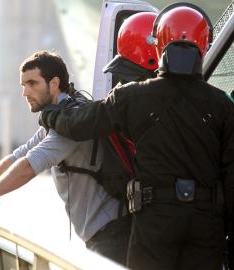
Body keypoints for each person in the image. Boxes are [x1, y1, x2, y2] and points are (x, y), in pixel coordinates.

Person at [39, 3, 234, 270]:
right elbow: (231, 175)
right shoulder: (222, 104)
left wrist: (49, 113)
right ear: (204, 46)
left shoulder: (132, 96)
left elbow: (79, 124)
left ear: (159, 44)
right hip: (206, 224)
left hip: (154, 222)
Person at [0, 50, 131, 265]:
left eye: (32, 83)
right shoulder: (59, 115)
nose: (25, 92)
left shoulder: (71, 125)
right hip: (102, 231)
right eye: (23, 85)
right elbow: (17, 156)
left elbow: (29, 166)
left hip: (112, 233)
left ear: (54, 83)